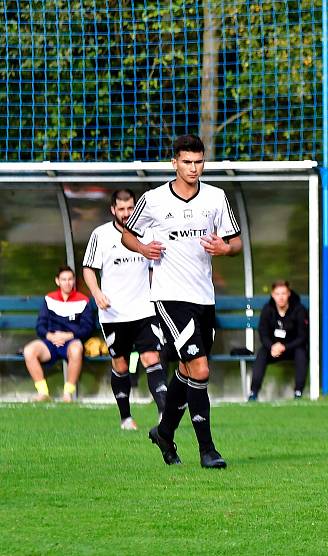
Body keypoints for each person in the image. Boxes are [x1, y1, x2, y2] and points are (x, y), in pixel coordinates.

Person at [122, 134, 242, 469]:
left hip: (204, 297)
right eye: (187, 162)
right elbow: (127, 234)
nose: (193, 168)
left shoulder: (216, 198)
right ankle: (208, 451)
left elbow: (236, 242)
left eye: (198, 161)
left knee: (190, 370)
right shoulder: (154, 199)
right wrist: (144, 249)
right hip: (169, 297)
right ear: (174, 162)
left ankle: (163, 432)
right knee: (200, 369)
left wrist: (225, 248)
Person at [83, 189, 168, 430]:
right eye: (121, 209)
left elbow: (157, 267)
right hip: (113, 313)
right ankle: (126, 418)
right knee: (120, 364)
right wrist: (97, 293)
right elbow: (88, 268)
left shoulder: (147, 232)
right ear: (113, 210)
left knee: (151, 358)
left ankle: (164, 414)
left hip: (144, 310)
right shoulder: (100, 235)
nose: (126, 213)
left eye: (130, 208)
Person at [23, 265, 94, 402]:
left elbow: (87, 328)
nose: (67, 283)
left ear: (74, 281)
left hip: (71, 341)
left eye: (70, 279)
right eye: (63, 279)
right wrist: (51, 336)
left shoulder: (83, 300)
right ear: (57, 281)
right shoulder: (49, 299)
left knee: (76, 349)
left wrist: (68, 335)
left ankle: (68, 394)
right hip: (51, 342)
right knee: (29, 351)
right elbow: (40, 326)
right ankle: (43, 393)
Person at [248, 280, 309, 401]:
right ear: (272, 294)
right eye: (277, 294)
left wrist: (285, 347)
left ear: (289, 294)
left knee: (301, 353)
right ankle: (253, 393)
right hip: (273, 349)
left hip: (292, 347)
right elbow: (263, 333)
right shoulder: (267, 309)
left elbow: (303, 336)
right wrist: (272, 346)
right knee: (262, 354)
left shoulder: (299, 309)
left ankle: (298, 392)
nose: (280, 297)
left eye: (283, 293)